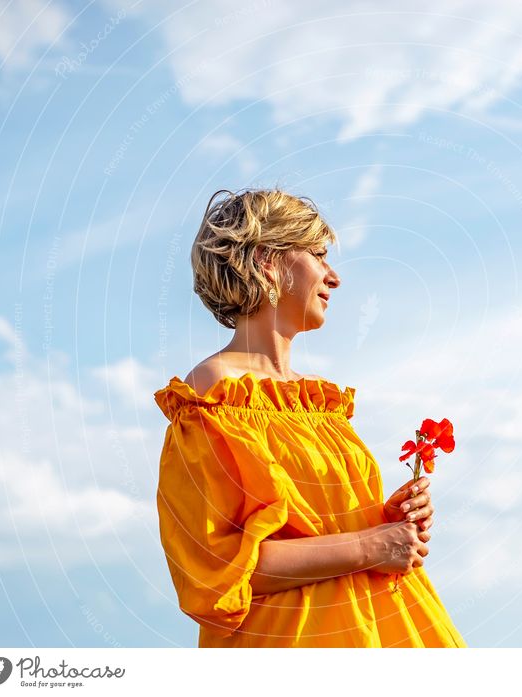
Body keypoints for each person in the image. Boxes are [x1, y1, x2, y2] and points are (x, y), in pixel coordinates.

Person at [153, 188, 467, 648]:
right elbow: (213, 568)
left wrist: (387, 520)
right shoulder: (209, 398)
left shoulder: (322, 404)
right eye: (318, 255)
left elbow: (321, 532)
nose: (333, 276)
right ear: (267, 261)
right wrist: (373, 546)